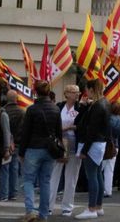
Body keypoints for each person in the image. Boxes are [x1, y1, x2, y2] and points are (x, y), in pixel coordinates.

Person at [18, 80, 61, 222]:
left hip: (33, 148)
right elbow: (59, 133)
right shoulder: (56, 109)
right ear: (49, 92)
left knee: (29, 180)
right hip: (50, 149)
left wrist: (21, 152)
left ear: (36, 92)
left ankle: (30, 210)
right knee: (45, 182)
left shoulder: (32, 109)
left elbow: (25, 132)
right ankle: (43, 214)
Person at [74, 79, 110, 219]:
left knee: (92, 176)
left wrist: (84, 150)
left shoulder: (97, 106)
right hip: (99, 143)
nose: (86, 93)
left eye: (87, 90)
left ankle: (91, 208)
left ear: (92, 89)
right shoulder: (104, 103)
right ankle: (98, 206)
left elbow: (91, 130)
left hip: (92, 144)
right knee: (98, 175)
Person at [48, 84, 84, 216]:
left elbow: (83, 125)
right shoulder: (59, 107)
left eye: (78, 92)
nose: (77, 94)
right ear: (67, 94)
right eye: (74, 92)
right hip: (59, 145)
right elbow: (53, 124)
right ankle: (49, 205)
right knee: (54, 175)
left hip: (74, 146)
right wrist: (62, 128)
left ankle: (67, 206)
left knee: (71, 177)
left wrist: (72, 127)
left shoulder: (81, 108)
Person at [0, 90, 24, 202]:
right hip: (18, 143)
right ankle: (13, 192)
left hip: (6, 143)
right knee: (14, 168)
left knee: (4, 168)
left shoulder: (2, 111)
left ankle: (3, 193)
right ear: (16, 99)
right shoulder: (22, 112)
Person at [102, 101, 120, 198]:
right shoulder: (119, 119)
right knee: (110, 170)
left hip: (107, 145)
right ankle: (108, 190)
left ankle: (101, 189)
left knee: (100, 168)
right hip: (115, 145)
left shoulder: (109, 119)